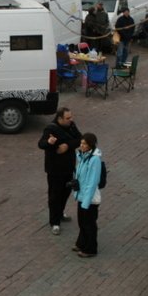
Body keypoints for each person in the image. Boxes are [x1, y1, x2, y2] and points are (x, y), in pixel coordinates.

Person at [38, 107, 82, 236]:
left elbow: (80, 139)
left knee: (66, 192)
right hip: (55, 170)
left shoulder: (72, 126)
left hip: (68, 167)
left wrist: (67, 146)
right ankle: (54, 222)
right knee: (54, 195)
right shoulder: (51, 129)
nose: (71, 120)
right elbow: (41, 144)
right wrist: (49, 142)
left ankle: (60, 212)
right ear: (60, 118)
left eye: (71, 117)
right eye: (68, 118)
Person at [71, 132, 102, 258]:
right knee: (82, 222)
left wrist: (86, 202)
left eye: (84, 144)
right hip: (82, 197)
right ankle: (81, 243)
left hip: (89, 200)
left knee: (89, 224)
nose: (82, 145)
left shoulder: (94, 160)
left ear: (90, 145)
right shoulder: (83, 157)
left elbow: (92, 182)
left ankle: (90, 249)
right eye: (81, 143)